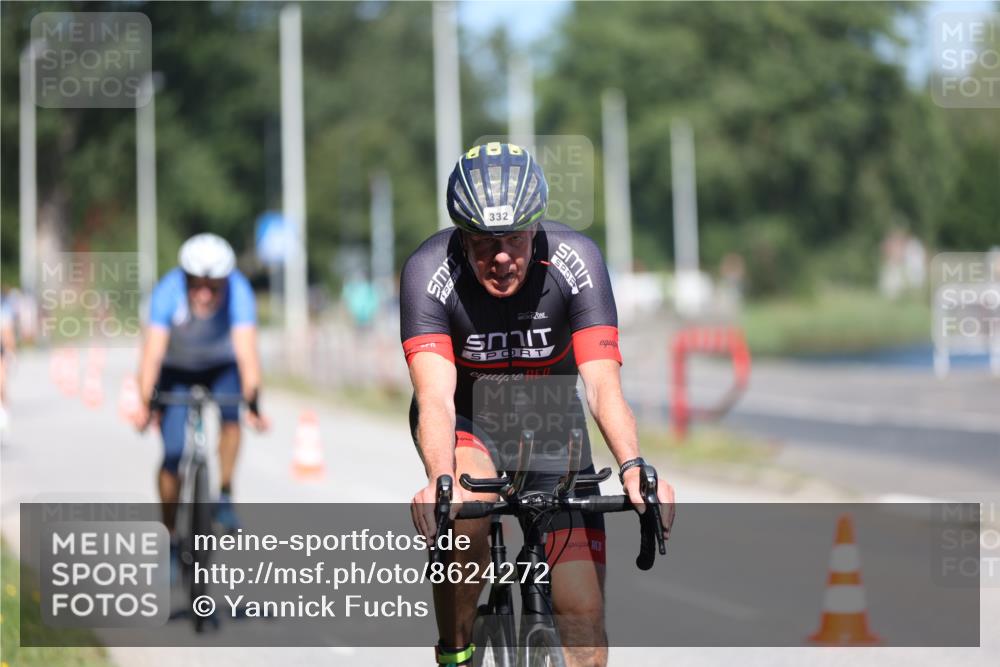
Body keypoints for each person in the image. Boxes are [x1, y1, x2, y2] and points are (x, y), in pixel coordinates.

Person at [401, 142, 675, 667]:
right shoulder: (428, 270)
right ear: (460, 234)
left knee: (584, 624)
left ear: (536, 227)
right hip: (466, 420)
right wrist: (441, 479)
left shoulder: (577, 260)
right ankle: (455, 653)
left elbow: (602, 386)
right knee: (467, 518)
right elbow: (433, 395)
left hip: (551, 421)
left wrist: (634, 466)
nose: (501, 256)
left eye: (514, 238)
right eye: (482, 242)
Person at [131, 233, 269, 537]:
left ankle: (224, 495)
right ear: (185, 279)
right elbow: (151, 355)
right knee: (172, 453)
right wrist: (144, 404)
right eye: (196, 285)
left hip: (220, 366)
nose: (204, 294)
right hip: (176, 369)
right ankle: (168, 530)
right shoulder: (167, 292)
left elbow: (247, 355)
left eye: (213, 286)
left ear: (225, 282)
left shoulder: (240, 292)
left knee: (232, 422)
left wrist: (255, 403)